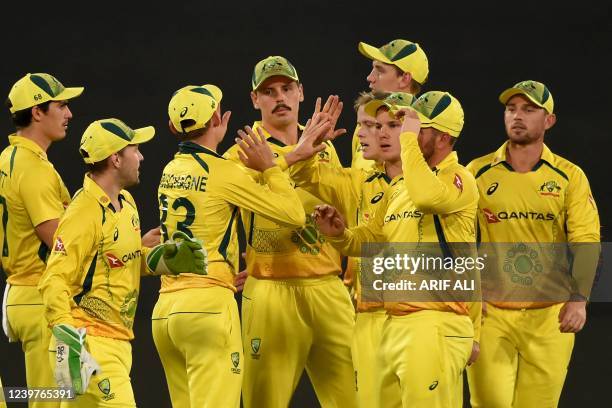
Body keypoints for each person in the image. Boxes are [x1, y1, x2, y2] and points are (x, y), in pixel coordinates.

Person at [315, 91, 480, 407]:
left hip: (437, 322)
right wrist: (340, 235)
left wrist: (406, 143)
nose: (408, 132)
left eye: (416, 126)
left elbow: (426, 198)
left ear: (444, 137)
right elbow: (374, 242)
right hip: (394, 321)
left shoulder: (459, 178)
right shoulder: (400, 186)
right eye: (406, 124)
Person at [152, 83, 306, 408]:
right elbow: (294, 214)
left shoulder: (169, 170)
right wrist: (269, 167)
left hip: (165, 312)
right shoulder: (224, 172)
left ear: (172, 127)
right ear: (218, 120)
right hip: (207, 307)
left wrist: (290, 157)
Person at [38, 118, 206, 407]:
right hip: (88, 343)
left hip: (117, 342)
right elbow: (54, 279)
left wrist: (163, 260)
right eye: (135, 150)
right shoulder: (84, 212)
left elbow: (118, 263)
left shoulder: (126, 202)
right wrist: (68, 341)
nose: (141, 157)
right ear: (115, 158)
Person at [223, 56, 357, 408]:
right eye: (268, 91)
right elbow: (218, 211)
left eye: (286, 88)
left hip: (328, 286)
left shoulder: (326, 148)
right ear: (255, 100)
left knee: (356, 398)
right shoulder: (243, 151)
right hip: (271, 289)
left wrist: (311, 154)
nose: (279, 97)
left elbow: (346, 209)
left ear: (300, 93)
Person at [466, 80, 601, 407]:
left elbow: (585, 239)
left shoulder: (569, 176)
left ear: (549, 120)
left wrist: (579, 300)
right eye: (511, 109)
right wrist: (467, 299)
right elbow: (459, 241)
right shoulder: (476, 172)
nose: (517, 116)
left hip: (549, 318)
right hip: (491, 316)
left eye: (529, 109)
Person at [281, 91, 413, 407]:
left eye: (380, 125)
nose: (367, 134)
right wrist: (310, 147)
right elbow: (306, 176)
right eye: (364, 126)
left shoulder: (436, 184)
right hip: (369, 317)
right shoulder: (359, 184)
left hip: (420, 316)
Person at [0, 73, 83, 408]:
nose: (69, 114)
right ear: (37, 112)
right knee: (52, 402)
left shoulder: (7, 159)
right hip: (40, 296)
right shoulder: (33, 168)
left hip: (22, 293)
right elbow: (56, 238)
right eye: (61, 105)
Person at [352, 39, 429, 170]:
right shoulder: (364, 122)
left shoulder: (423, 131)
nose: (370, 77)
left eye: (380, 71)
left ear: (405, 79)